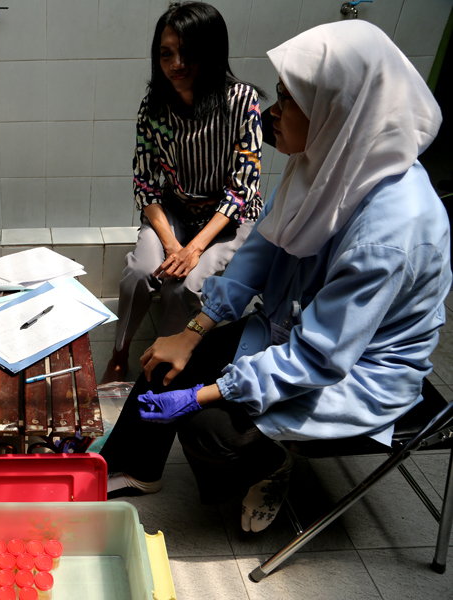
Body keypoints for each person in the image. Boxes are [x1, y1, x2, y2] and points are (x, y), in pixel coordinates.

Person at [101, 20, 450, 533]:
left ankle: (270, 466)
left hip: (356, 369)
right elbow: (262, 249)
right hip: (295, 328)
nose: (273, 113)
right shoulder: (328, 161)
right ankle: (133, 466)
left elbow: (320, 357)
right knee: (164, 360)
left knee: (206, 425)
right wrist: (192, 331)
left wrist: (201, 395)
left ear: (340, 110)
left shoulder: (391, 231)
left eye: (289, 100)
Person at [102, 2, 264, 384]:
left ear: (210, 51)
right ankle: (120, 350)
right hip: (175, 208)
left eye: (186, 52)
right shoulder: (155, 106)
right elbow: (144, 182)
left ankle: (161, 361)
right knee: (139, 272)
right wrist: (173, 244)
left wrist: (194, 249)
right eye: (165, 53)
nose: (175, 64)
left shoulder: (241, 101)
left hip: (228, 218)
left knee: (188, 286)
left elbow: (243, 188)